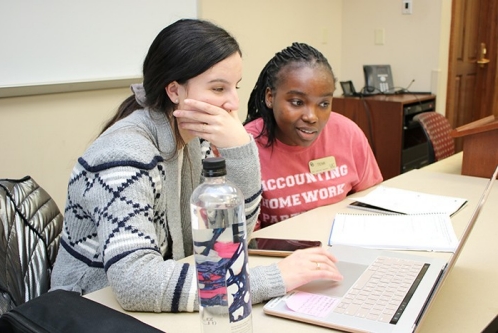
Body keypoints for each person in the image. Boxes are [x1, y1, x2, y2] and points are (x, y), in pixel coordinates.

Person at [50, 19, 343, 313]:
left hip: (151, 308)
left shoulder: (192, 139)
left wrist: (239, 150)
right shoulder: (123, 155)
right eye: (218, 88)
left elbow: (231, 235)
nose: (233, 102)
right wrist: (271, 279)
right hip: (86, 310)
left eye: (235, 87)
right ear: (174, 91)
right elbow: (135, 283)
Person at [244, 42, 383, 229]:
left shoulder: (348, 133)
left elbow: (370, 204)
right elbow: (247, 238)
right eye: (297, 102)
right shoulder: (245, 147)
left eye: (324, 104)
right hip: (283, 255)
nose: (312, 117)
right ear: (270, 97)